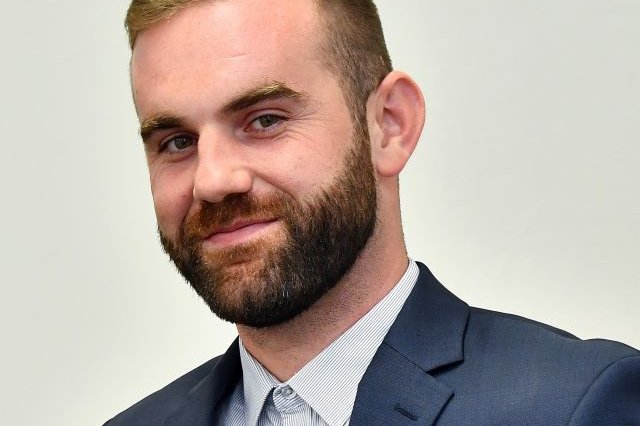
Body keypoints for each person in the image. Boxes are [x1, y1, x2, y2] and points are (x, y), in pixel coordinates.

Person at [106, 0, 640, 424]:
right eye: (176, 142)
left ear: (389, 125)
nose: (213, 180)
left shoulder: (573, 406)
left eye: (265, 120)